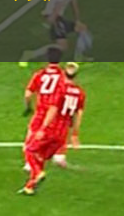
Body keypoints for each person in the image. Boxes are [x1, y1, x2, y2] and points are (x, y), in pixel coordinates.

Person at [19, 62, 85, 195]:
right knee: (41, 157)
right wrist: (74, 134)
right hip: (63, 133)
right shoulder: (80, 93)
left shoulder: (60, 89)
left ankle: (37, 172)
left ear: (63, 73)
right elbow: (78, 114)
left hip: (52, 128)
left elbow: (53, 109)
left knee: (29, 150)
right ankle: (30, 187)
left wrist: (43, 128)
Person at [20, 0, 92, 65]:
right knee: (63, 47)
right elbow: (58, 5)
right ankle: (30, 54)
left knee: (82, 28)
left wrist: (77, 20)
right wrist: (51, 20)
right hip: (54, 17)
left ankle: (79, 56)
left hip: (58, 17)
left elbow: (73, 2)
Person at [22, 47, 66, 171]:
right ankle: (58, 156)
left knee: (33, 133)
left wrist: (28, 106)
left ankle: (29, 163)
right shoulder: (62, 76)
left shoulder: (39, 74)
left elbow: (28, 94)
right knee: (58, 132)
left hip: (41, 110)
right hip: (56, 110)